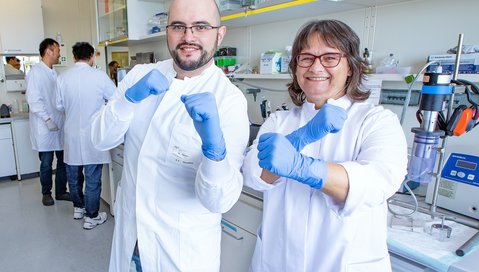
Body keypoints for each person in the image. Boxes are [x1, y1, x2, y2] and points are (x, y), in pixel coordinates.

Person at [90, 0, 249, 270]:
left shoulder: (229, 101)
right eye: (178, 26)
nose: (188, 37)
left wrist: (215, 151)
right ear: (167, 31)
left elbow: (219, 200)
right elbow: (99, 139)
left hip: (180, 252)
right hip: (131, 242)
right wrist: (127, 101)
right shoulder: (140, 76)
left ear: (219, 34)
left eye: (200, 26)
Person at [242, 20, 408, 271]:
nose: (316, 66)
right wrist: (302, 137)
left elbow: (377, 183)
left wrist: (301, 167)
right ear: (296, 67)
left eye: (330, 57)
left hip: (344, 263)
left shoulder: (376, 121)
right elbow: (254, 175)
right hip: (278, 261)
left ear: (351, 67)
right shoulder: (280, 120)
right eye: (306, 58)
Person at [56, 42, 116, 229]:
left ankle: (78, 207)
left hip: (72, 133)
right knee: (92, 177)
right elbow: (114, 98)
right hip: (93, 134)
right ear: (92, 57)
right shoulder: (99, 76)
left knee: (73, 175)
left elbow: (59, 106)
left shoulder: (63, 77)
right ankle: (92, 216)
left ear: (74, 57)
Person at [26, 38, 70, 206]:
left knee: (62, 160)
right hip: (44, 126)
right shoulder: (35, 72)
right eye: (57, 51)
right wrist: (47, 119)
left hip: (59, 125)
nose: (59, 54)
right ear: (49, 51)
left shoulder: (54, 73)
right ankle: (46, 193)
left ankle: (61, 191)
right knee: (46, 162)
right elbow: (34, 100)